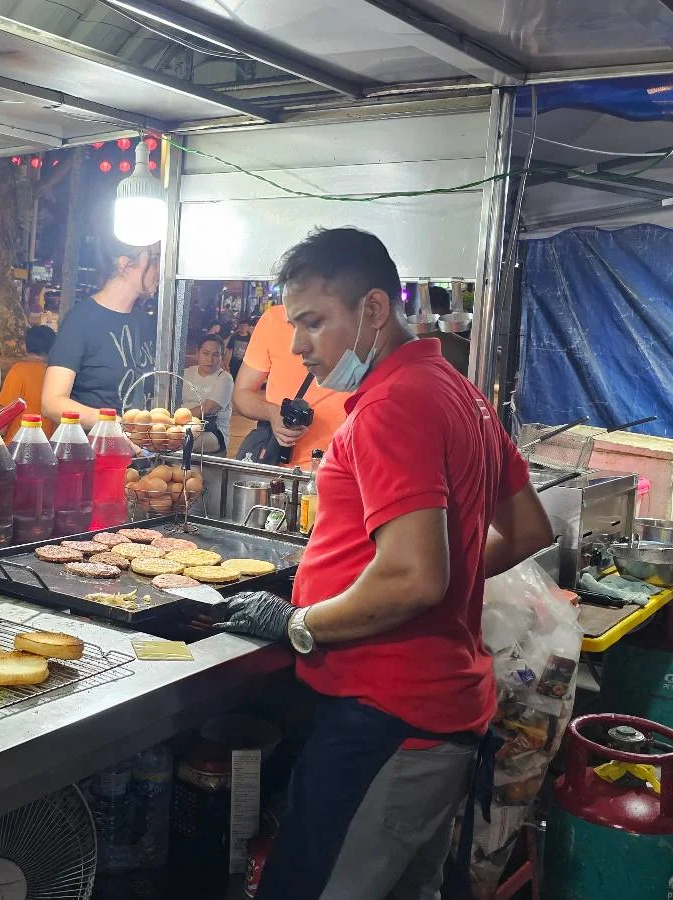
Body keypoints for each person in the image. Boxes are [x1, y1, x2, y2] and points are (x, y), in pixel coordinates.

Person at [218, 228, 554, 900]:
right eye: (293, 326)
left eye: (313, 323)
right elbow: (526, 530)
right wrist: (439, 581)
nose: (299, 347)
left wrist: (301, 622)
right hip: (437, 713)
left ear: (374, 310)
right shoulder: (456, 390)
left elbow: (413, 577)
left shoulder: (392, 406)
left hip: (385, 715)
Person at [41, 238, 158, 429]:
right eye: (154, 259)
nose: (159, 268)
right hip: (92, 452)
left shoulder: (146, 323)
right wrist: (115, 424)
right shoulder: (81, 320)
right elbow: (51, 402)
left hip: (141, 453)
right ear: (125, 265)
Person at [233, 303, 349, 466]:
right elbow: (241, 394)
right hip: (279, 465)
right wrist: (272, 413)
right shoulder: (275, 319)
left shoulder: (363, 325)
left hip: (343, 468)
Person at [0, 325, 57, 440]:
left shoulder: (18, 371)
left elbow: (5, 413)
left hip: (16, 446)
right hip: (45, 446)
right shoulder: (55, 375)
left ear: (24, 346)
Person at [182, 335, 233, 454]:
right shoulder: (187, 373)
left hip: (213, 431)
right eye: (205, 353)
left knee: (183, 439)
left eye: (216, 355)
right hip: (184, 426)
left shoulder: (225, 378)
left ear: (222, 357)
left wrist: (175, 418)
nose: (210, 359)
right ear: (197, 353)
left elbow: (209, 408)